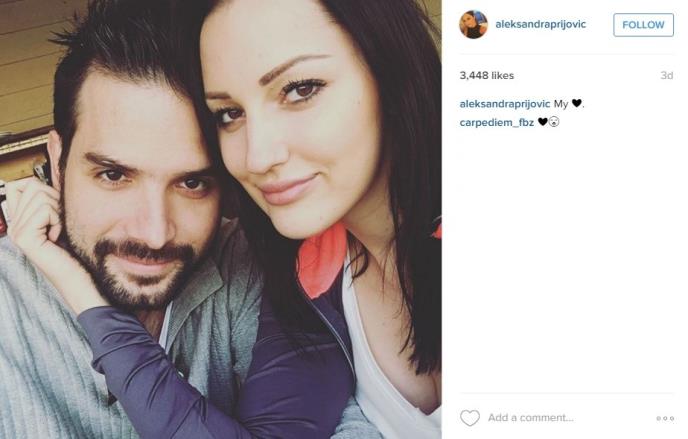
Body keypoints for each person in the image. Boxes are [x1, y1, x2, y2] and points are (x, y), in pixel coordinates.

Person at [11, 0, 441, 437]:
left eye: (301, 89)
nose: (258, 157)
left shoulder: (253, 265)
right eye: (113, 175)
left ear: (391, 73)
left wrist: (91, 307)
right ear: (57, 161)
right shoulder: (311, 269)